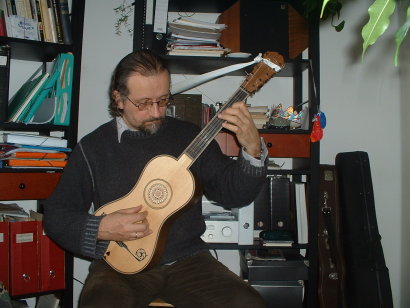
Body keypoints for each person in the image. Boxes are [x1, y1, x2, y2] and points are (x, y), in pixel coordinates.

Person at [44, 50, 269, 308]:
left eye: (163, 100)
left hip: (189, 261)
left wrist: (252, 151)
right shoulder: (92, 148)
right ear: (119, 99)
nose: (155, 112)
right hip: (120, 265)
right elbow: (56, 214)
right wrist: (100, 228)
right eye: (143, 103)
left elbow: (233, 195)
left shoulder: (190, 136)